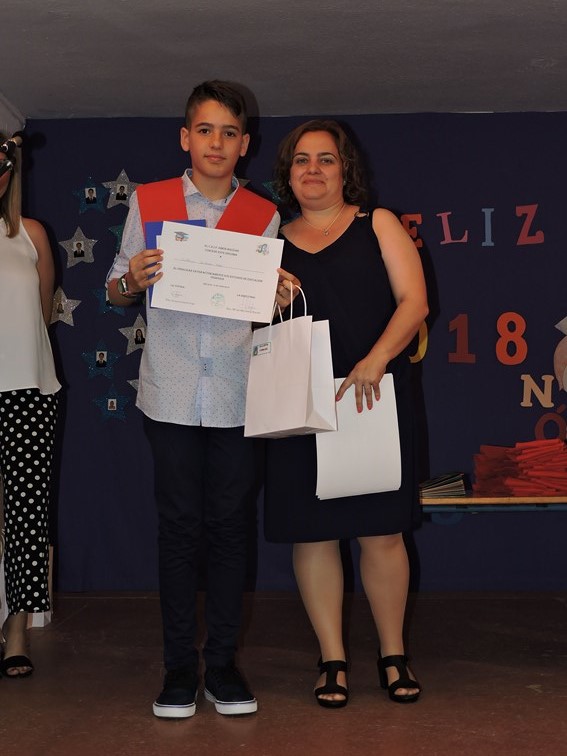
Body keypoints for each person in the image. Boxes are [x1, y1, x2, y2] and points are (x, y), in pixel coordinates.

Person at [106, 80, 298, 719]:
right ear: (186, 138)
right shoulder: (151, 200)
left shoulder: (262, 214)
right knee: (179, 530)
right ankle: (178, 670)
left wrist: (275, 295)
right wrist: (131, 280)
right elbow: (114, 288)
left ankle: (222, 666)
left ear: (245, 145)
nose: (217, 143)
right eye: (206, 130)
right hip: (170, 391)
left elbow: (258, 306)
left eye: (229, 133)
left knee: (231, 529)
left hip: (237, 395)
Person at [264, 120, 429, 708]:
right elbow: (250, 323)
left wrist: (376, 361)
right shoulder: (269, 239)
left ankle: (393, 655)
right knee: (314, 535)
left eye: (326, 159)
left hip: (371, 396)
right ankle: (331, 659)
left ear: (345, 169)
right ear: (288, 174)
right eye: (301, 160)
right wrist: (267, 299)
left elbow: (414, 302)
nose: (313, 170)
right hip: (299, 405)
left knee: (382, 533)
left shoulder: (376, 223)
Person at [0, 132, 60, 678]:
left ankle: (16, 630)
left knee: (25, 514)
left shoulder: (29, 234)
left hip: (26, 391)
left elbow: (42, 314)